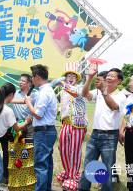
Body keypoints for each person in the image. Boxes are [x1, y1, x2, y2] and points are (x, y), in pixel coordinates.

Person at [79, 66, 126, 191]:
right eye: (108, 75)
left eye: (112, 76)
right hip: (95, 134)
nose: (109, 77)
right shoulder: (99, 91)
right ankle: (83, 189)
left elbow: (113, 107)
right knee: (88, 165)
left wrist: (104, 91)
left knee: (107, 169)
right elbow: (84, 94)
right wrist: (89, 77)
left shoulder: (121, 96)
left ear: (119, 81)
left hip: (110, 136)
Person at [0, 73, 34, 184]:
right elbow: (0, 91)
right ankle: (9, 176)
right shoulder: (14, 94)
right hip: (14, 128)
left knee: (26, 153)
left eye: (23, 80)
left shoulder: (33, 95)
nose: (20, 82)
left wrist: (10, 100)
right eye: (20, 80)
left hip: (28, 130)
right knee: (11, 152)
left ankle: (24, 178)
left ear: (29, 84)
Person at [53, 62, 88, 191]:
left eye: (74, 75)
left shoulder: (80, 88)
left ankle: (74, 176)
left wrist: (62, 84)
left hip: (77, 126)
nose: (71, 77)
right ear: (65, 77)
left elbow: (77, 94)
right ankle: (68, 171)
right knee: (62, 148)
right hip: (65, 124)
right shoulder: (63, 92)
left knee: (74, 151)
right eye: (68, 75)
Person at [24, 64, 58, 191]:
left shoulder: (44, 92)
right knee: (47, 164)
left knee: (40, 165)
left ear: (37, 77)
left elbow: (38, 115)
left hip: (43, 133)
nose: (31, 80)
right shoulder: (46, 91)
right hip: (48, 131)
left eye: (32, 77)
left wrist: (28, 103)